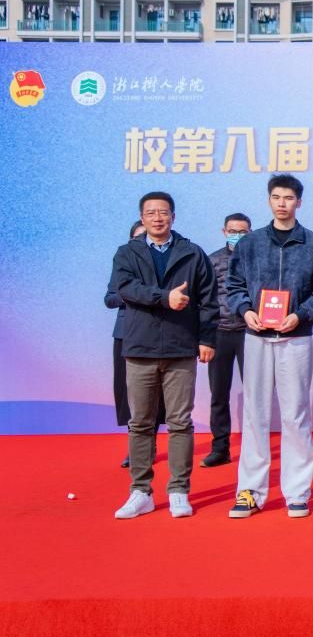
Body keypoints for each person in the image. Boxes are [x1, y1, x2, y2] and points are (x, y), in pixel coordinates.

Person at [225, 175, 313, 519]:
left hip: (296, 338)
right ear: (269, 200)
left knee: (295, 414)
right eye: (276, 197)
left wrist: (301, 315)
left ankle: (297, 491)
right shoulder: (250, 243)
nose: (282, 203)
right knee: (255, 414)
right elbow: (234, 284)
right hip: (256, 337)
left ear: (298, 202)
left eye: (288, 198)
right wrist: (245, 310)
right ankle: (250, 491)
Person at [111, 192, 218, 520]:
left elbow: (209, 300)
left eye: (163, 212)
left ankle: (179, 490)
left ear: (173, 216)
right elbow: (125, 288)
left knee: (180, 422)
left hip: (180, 348)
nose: (157, 218)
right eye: (151, 213)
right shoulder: (127, 253)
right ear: (142, 218)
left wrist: (206, 338)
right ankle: (140, 491)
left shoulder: (192, 253)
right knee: (140, 423)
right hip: (140, 348)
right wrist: (163, 297)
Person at [106, 220, 164, 470]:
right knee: (128, 392)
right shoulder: (123, 262)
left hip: (156, 333)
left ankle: (150, 444)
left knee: (154, 393)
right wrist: (134, 294)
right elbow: (110, 298)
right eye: (138, 237)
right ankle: (136, 448)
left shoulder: (162, 264)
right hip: (126, 334)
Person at [201, 212, 252, 468]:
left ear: (250, 233)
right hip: (219, 333)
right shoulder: (212, 261)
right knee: (218, 393)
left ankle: (254, 449)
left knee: (255, 394)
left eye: (242, 232)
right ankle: (220, 448)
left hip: (249, 333)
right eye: (233, 231)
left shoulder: (257, 260)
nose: (237, 236)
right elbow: (204, 300)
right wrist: (204, 337)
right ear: (224, 232)